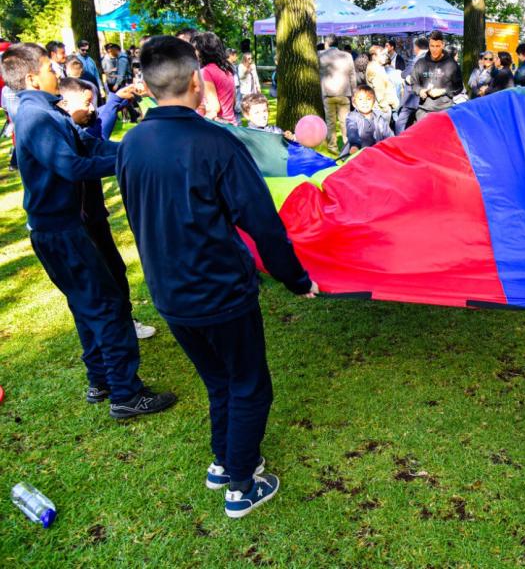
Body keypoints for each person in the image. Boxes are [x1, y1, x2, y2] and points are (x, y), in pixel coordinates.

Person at [117, 36, 318, 517]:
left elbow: (137, 213)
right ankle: (242, 483)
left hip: (171, 295)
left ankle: (225, 461)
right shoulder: (215, 142)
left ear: (146, 86)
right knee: (249, 383)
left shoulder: (131, 142)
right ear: (196, 82)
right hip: (220, 293)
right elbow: (264, 224)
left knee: (219, 380)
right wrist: (297, 279)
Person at [2, 43, 176, 418]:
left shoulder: (49, 113)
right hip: (60, 231)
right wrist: (130, 164)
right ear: (32, 76)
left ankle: (100, 380)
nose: (58, 73)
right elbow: (73, 166)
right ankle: (126, 394)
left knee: (86, 305)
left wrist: (137, 148)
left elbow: (92, 145)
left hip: (62, 228)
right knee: (107, 305)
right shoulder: (36, 117)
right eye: (50, 67)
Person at [55, 77, 157, 340]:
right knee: (97, 280)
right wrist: (132, 158)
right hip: (76, 223)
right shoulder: (57, 135)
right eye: (88, 104)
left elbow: (97, 140)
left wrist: (114, 101)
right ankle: (111, 333)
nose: (92, 109)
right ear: (65, 104)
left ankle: (124, 321)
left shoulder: (78, 130)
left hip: (95, 216)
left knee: (115, 269)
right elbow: (85, 159)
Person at [409, 31, 463, 123]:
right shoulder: (420, 63)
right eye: (432, 46)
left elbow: (458, 86)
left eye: (437, 46)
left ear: (443, 45)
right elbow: (414, 83)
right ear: (429, 45)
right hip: (424, 111)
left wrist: (443, 91)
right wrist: (420, 91)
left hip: (444, 110)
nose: (434, 49)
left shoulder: (451, 64)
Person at [191, 32, 237, 125]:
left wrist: (198, 124)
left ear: (203, 51)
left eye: (195, 49)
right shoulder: (227, 69)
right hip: (231, 124)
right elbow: (234, 101)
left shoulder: (206, 71)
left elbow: (214, 108)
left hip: (217, 127)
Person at [318, 35, 354, 154]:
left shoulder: (320, 55)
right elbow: (352, 75)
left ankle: (333, 147)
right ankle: (346, 144)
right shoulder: (347, 56)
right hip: (344, 92)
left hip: (328, 93)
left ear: (327, 44)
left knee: (330, 122)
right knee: (345, 122)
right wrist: (354, 92)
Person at [343, 85, 393, 156]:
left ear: (374, 102)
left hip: (378, 153)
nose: (364, 102)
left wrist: (393, 143)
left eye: (368, 99)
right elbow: (352, 131)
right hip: (359, 153)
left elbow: (388, 134)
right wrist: (355, 145)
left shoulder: (380, 117)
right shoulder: (352, 117)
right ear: (354, 103)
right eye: (360, 99)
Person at [396, 37, 428, 134]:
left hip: (413, 96)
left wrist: (407, 78)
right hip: (427, 97)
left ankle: (398, 141)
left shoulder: (417, 59)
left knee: (400, 121)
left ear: (417, 48)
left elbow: (404, 74)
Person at [365, 45, 400, 116]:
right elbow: (379, 91)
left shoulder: (376, 67)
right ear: (374, 56)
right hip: (382, 110)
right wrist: (385, 108)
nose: (385, 57)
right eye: (382, 55)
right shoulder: (375, 69)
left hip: (382, 107)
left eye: (385, 55)